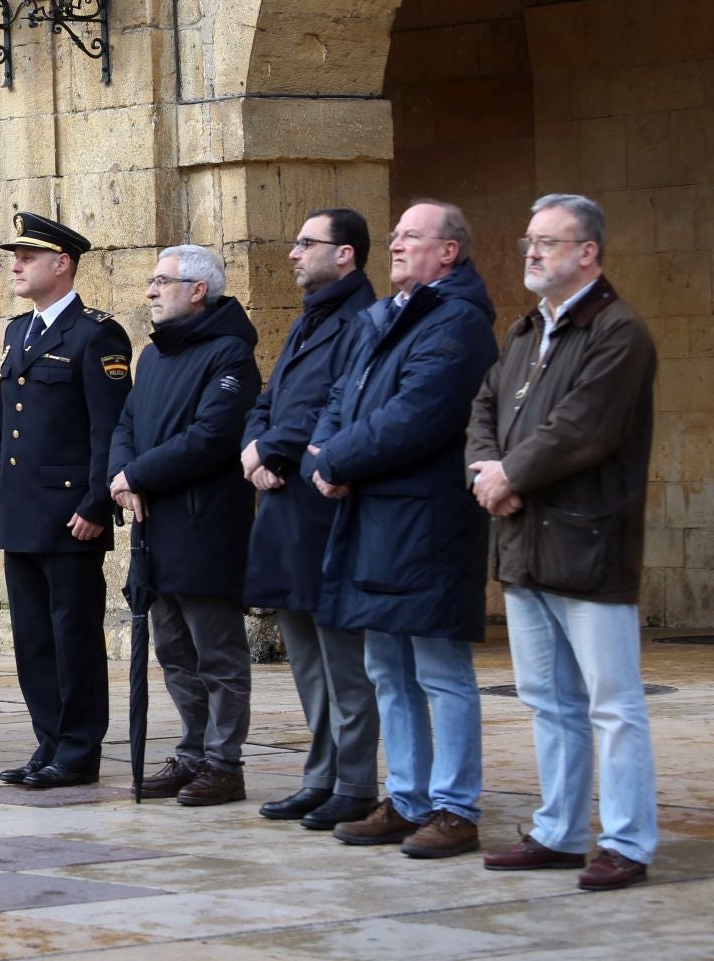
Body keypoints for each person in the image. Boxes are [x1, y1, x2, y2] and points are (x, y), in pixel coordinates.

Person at [470, 195, 658, 891]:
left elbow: (585, 428)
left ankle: (628, 842)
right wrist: (487, 473)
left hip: (589, 546)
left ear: (589, 252)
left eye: (549, 241)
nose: (533, 252)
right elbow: (485, 406)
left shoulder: (619, 330)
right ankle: (558, 831)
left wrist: (510, 475)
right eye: (530, 240)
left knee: (613, 703)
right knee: (548, 700)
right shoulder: (525, 332)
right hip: (523, 543)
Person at [307, 200, 498, 859]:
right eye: (394, 236)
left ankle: (456, 806)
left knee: (440, 668)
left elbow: (420, 414)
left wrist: (336, 459)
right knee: (386, 667)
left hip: (427, 519)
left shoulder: (459, 322)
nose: (395, 245)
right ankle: (408, 798)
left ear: (449, 251)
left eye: (411, 237)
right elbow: (341, 397)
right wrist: (325, 451)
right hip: (372, 515)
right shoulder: (382, 317)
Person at [107, 244, 261, 806]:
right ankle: (193, 751)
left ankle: (225, 762)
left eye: (161, 281)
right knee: (174, 651)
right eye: (151, 281)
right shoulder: (154, 357)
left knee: (216, 654)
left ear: (199, 290)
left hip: (204, 526)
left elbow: (211, 437)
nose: (150, 290)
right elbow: (126, 421)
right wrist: (121, 475)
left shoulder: (230, 356)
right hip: (155, 526)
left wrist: (137, 475)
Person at [242, 210, 381, 830]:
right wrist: (253, 448)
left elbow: (338, 403)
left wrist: (273, 451)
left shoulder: (361, 319)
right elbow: (270, 399)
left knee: (341, 658)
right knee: (303, 654)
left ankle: (354, 781)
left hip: (323, 503)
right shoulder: (312, 315)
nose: (293, 254)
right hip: (282, 500)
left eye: (306, 243)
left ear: (345, 254)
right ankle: (319, 775)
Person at [0, 213, 131, 789]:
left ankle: (77, 748)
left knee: (71, 633)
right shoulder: (16, 331)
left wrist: (99, 504)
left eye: (27, 255)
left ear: (62, 263)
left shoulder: (97, 334)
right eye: (14, 255)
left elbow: (111, 428)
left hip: (71, 513)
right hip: (22, 509)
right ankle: (47, 739)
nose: (16, 265)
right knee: (32, 635)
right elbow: (6, 426)